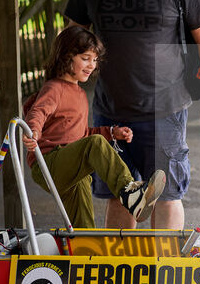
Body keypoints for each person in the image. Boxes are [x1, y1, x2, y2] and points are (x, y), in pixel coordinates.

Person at [64, 0, 200, 231]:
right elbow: (72, 37)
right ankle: (122, 269)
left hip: (165, 109)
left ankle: (165, 268)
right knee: (119, 193)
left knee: (166, 195)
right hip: (110, 110)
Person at [22, 26, 166, 229]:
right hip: (48, 163)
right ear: (67, 56)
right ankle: (130, 193)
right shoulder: (54, 88)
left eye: (95, 60)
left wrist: (111, 133)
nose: (92, 65)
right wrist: (33, 131)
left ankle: (86, 251)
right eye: (86, 58)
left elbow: (82, 136)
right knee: (95, 144)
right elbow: (38, 112)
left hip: (71, 166)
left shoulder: (79, 93)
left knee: (83, 226)